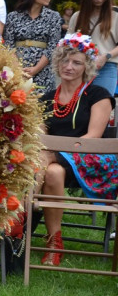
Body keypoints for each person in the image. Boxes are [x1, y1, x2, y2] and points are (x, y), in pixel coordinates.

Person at [36, 34, 117, 265]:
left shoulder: (99, 95)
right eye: (65, 60)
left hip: (89, 157)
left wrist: (54, 152)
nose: (69, 66)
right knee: (52, 171)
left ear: (87, 67)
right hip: (51, 162)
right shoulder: (46, 99)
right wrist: (50, 153)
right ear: (57, 62)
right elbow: (41, 137)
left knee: (45, 160)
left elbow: (92, 138)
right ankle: (53, 242)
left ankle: (23, 211)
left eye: (77, 62)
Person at [2, 0, 64, 89]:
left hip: (43, 72)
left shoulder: (53, 17)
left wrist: (36, 69)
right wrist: (17, 69)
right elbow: (8, 45)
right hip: (16, 71)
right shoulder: (13, 16)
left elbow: (53, 46)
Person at [70, 0, 118, 95]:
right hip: (80, 67)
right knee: (79, 108)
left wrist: (105, 56)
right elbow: (68, 43)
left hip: (106, 67)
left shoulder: (115, 15)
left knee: (102, 105)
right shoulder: (78, 16)